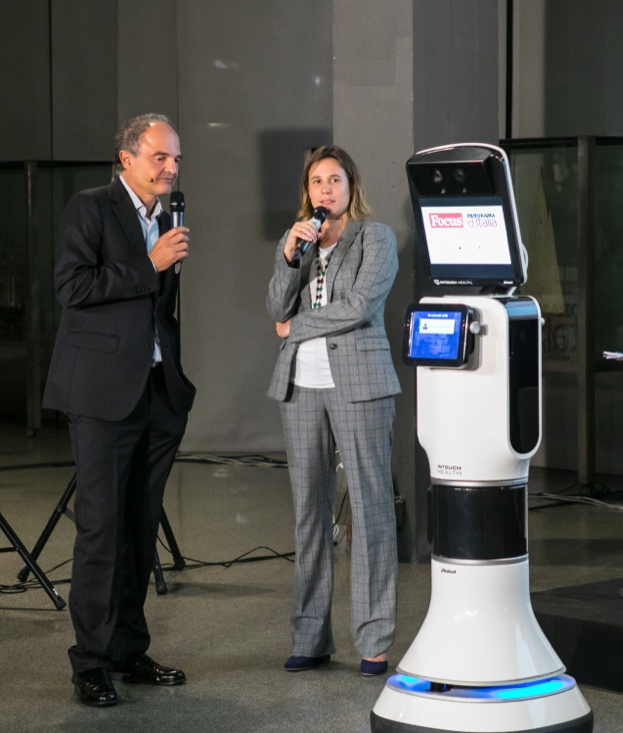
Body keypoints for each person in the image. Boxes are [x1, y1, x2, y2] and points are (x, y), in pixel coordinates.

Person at [43, 114, 196, 707]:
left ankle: (129, 648)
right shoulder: (91, 208)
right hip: (102, 394)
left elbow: (158, 309)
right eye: (161, 157)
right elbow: (72, 288)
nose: (172, 169)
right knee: (102, 529)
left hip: (156, 391)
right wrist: (149, 265)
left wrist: (161, 266)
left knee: (139, 527)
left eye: (177, 159)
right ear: (127, 157)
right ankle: (90, 662)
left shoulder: (164, 218)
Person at [267, 145, 400, 678]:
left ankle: (374, 640)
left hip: (360, 385)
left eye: (335, 180)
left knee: (370, 510)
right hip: (302, 386)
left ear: (352, 187)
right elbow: (276, 306)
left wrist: (294, 328)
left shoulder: (376, 238)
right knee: (309, 515)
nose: (325, 189)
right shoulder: (299, 242)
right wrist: (286, 257)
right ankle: (309, 635)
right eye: (317, 181)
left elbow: (359, 307)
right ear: (308, 191)